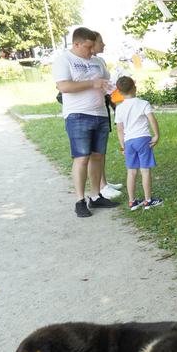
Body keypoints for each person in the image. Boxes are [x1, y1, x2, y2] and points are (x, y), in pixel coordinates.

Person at [53, 27, 119, 218]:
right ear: (77, 44)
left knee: (98, 156)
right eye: (88, 47)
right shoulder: (65, 60)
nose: (92, 51)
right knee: (82, 158)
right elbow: (63, 86)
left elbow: (107, 83)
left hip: (100, 114)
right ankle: (80, 200)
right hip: (78, 115)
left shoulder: (98, 61)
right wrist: (92, 83)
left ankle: (96, 195)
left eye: (93, 47)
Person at [113, 76, 163, 211]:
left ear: (119, 91)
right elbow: (152, 120)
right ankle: (148, 200)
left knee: (131, 171)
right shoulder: (143, 103)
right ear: (135, 88)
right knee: (145, 170)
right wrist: (156, 135)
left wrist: (123, 145)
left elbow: (119, 129)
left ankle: (132, 202)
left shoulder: (119, 108)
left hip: (128, 142)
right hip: (142, 139)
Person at [90, 32, 123, 200]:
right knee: (96, 151)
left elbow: (107, 85)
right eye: (101, 42)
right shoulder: (86, 62)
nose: (104, 44)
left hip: (102, 107)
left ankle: (104, 182)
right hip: (92, 110)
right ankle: (101, 186)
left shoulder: (99, 61)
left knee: (101, 149)